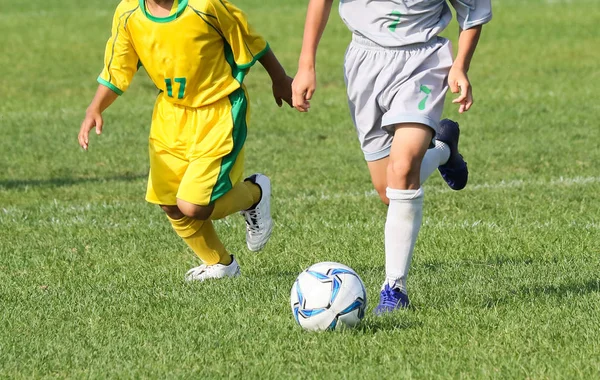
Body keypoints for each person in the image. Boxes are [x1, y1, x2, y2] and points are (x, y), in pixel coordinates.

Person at [292, 0, 491, 313]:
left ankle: (394, 289)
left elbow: (473, 11)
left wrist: (460, 66)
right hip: (364, 61)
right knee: (388, 190)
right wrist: (306, 64)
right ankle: (443, 150)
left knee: (402, 167)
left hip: (423, 61)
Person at [78, 0, 293, 282]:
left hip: (219, 110)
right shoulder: (128, 13)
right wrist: (95, 108)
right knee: (168, 203)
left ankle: (254, 194)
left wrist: (279, 78)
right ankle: (220, 264)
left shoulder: (205, 6)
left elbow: (250, 39)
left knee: (193, 206)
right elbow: (118, 68)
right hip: (171, 116)